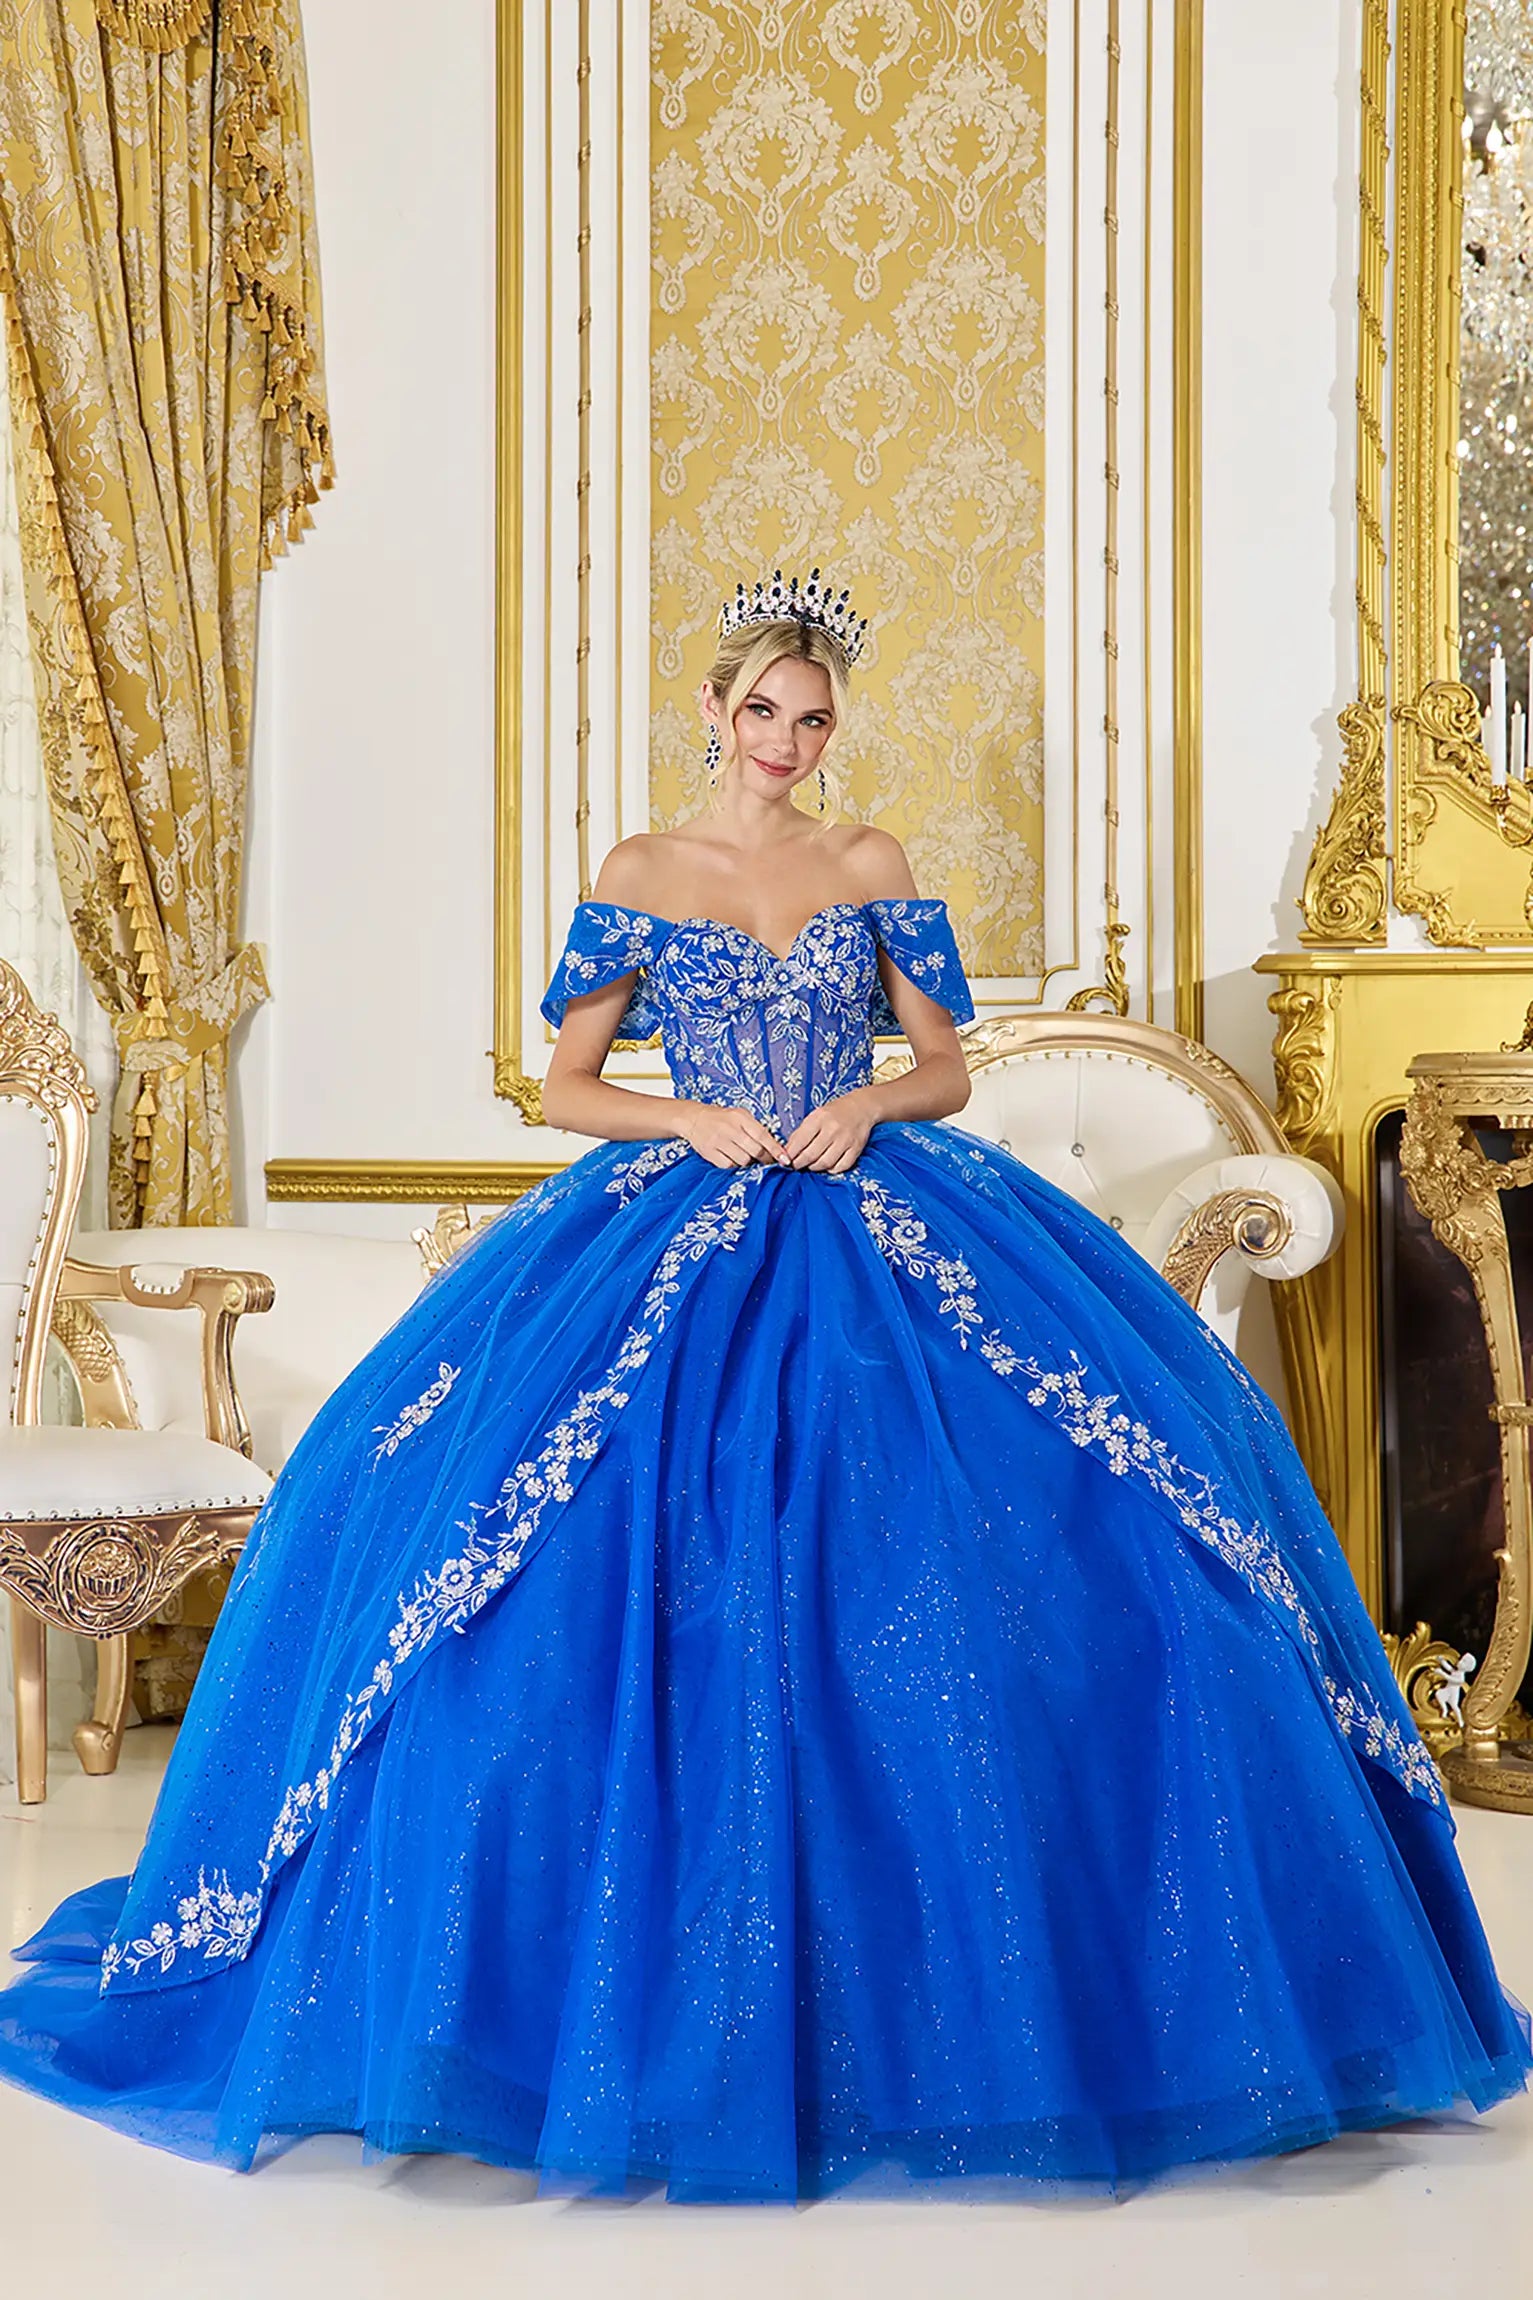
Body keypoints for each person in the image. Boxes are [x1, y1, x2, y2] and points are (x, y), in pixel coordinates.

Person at [0, 571, 1526, 2203]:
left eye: (811, 721)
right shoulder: (641, 874)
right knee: (539, 1545)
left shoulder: (869, 865)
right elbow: (570, 1086)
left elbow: (944, 1060)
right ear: (712, 712)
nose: (786, 743)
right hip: (680, 1210)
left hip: (874, 1202)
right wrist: (694, 1125)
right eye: (760, 714)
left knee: (1055, 1526)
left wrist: (872, 1107)